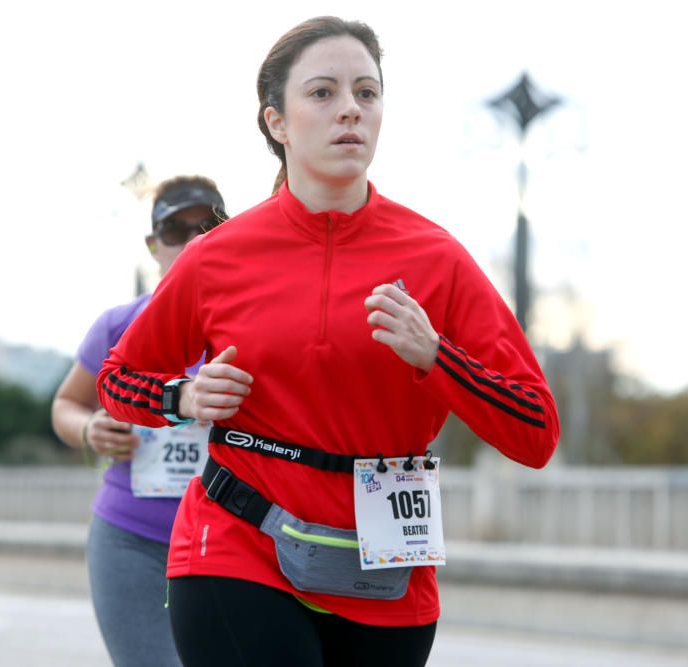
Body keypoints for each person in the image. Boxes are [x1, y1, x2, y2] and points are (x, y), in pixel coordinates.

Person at [97, 16, 560, 667]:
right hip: (235, 544)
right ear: (276, 122)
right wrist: (184, 395)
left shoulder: (438, 258)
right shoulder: (217, 257)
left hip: (384, 566)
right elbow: (117, 381)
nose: (350, 109)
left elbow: (536, 431)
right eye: (323, 93)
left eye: (367, 93)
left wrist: (437, 357)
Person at [51, 175, 227, 667]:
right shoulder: (119, 324)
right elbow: (66, 404)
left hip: (232, 542)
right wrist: (90, 429)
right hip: (132, 538)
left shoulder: (257, 321)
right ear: (154, 245)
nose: (193, 240)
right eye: (176, 230)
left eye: (208, 225)